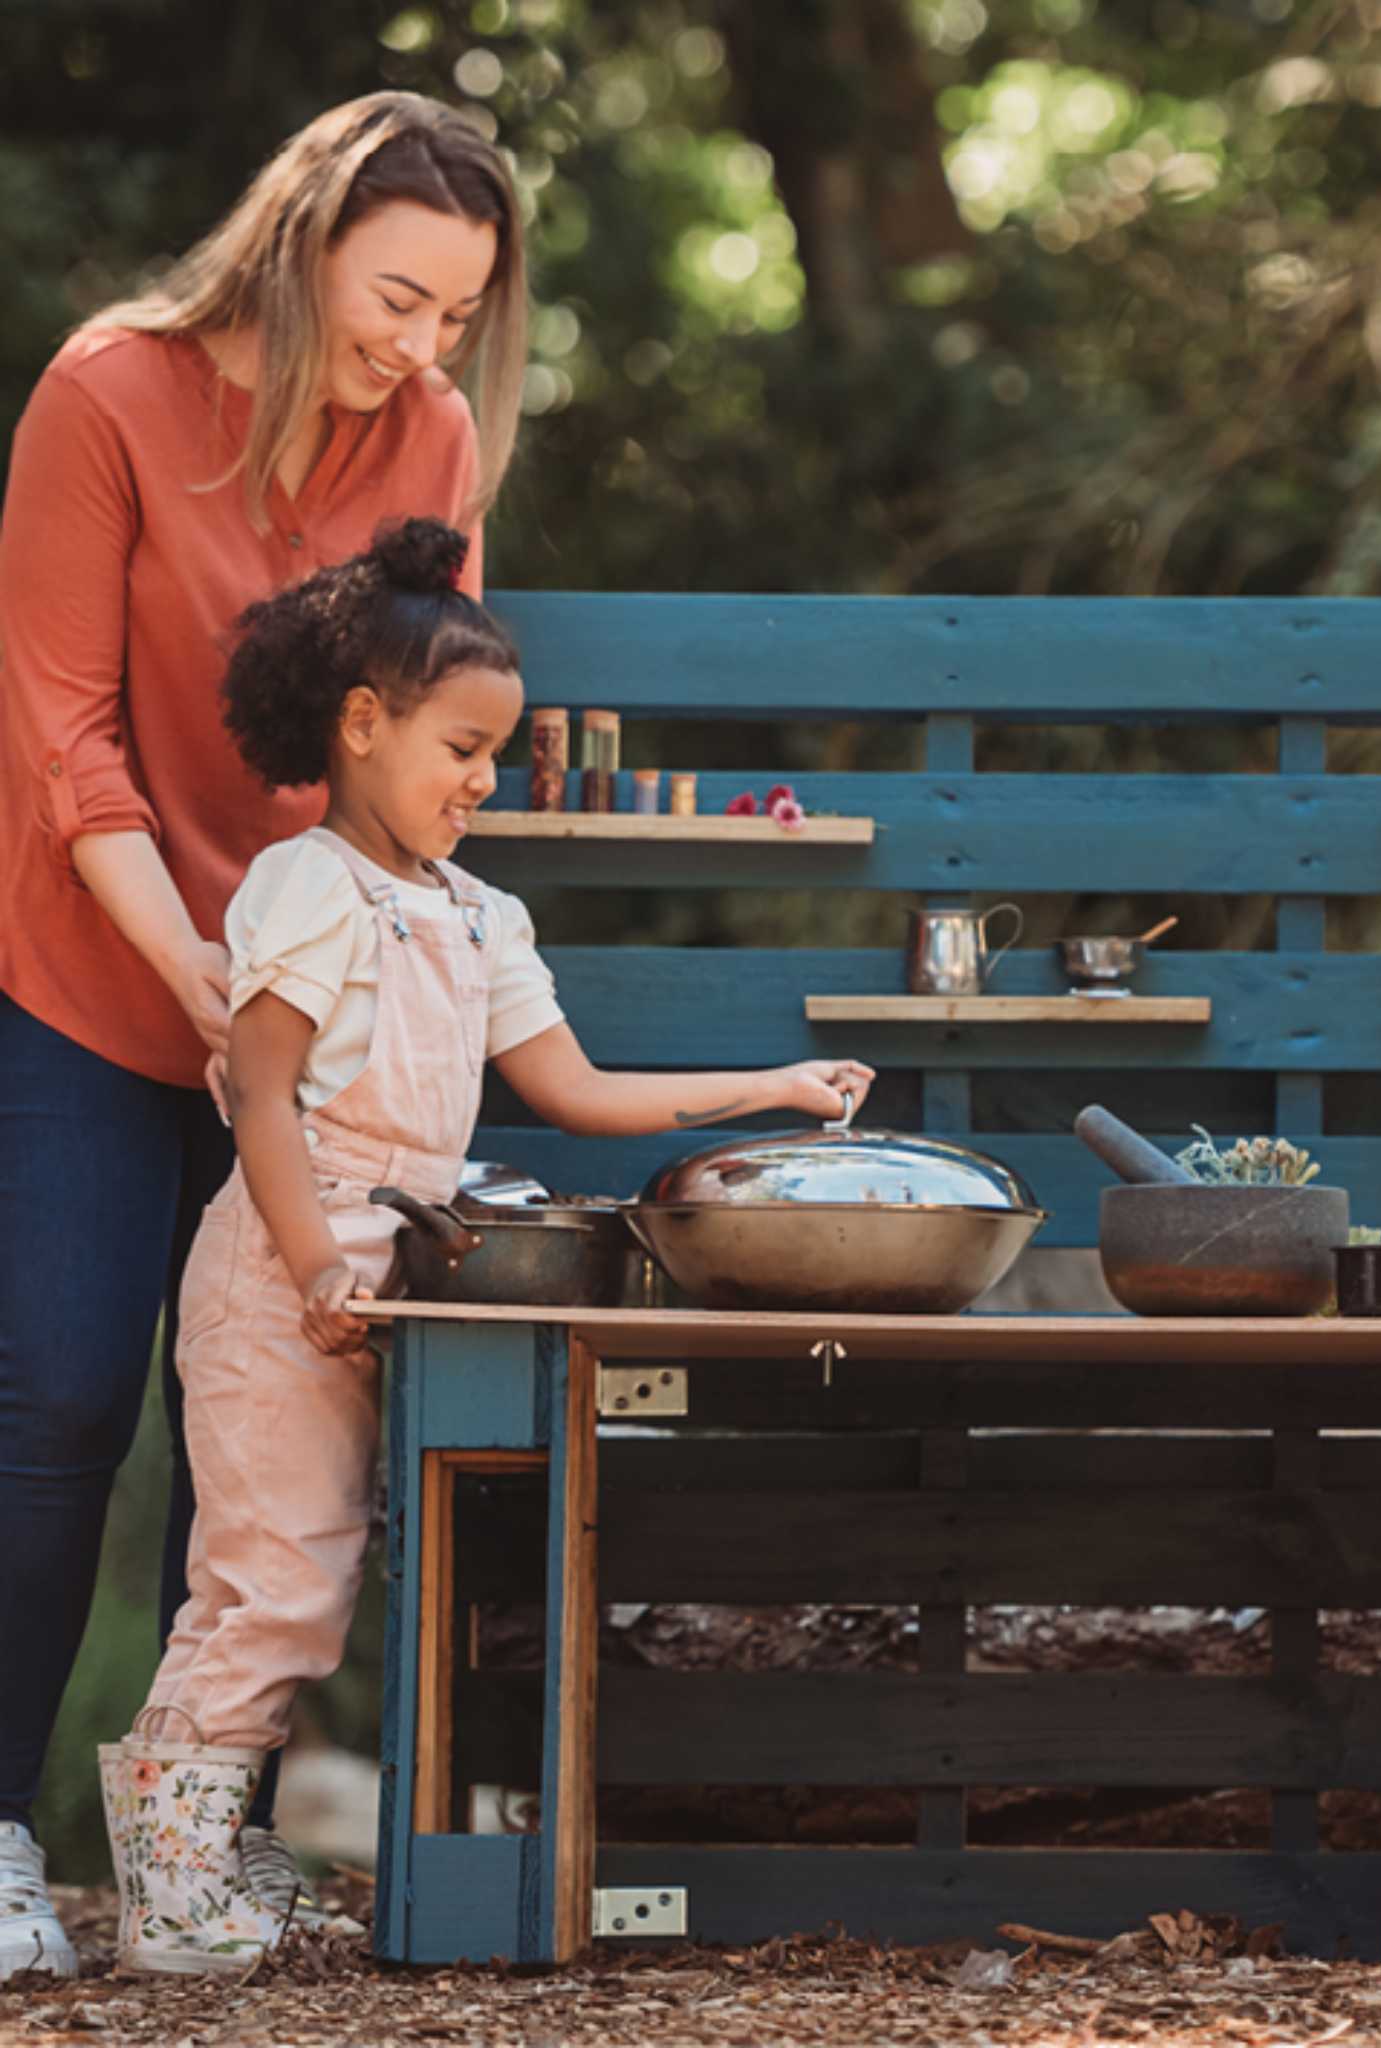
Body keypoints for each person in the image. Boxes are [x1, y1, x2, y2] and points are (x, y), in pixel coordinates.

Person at [96, 518, 877, 1976]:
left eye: (498, 757)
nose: (481, 782)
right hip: (286, 1268)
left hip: (405, 1267)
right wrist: (313, 1261)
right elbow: (260, 1092)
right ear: (361, 723)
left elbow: (572, 1089)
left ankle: (223, 1868)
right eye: (461, 747)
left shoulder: (480, 915)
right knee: (274, 1579)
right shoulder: (306, 887)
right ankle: (174, 1891)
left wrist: (774, 1084)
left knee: (325, 1573)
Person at [0, 94, 530, 1978]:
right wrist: (193, 973)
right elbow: (61, 730)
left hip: (293, 989)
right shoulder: (111, 392)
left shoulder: (434, 436)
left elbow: (406, 740)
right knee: (57, 1398)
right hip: (92, 962)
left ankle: (182, 1863)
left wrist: (342, 971)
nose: (423, 347)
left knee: (254, 1446)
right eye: (399, 297)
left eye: (459, 315)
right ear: (305, 243)